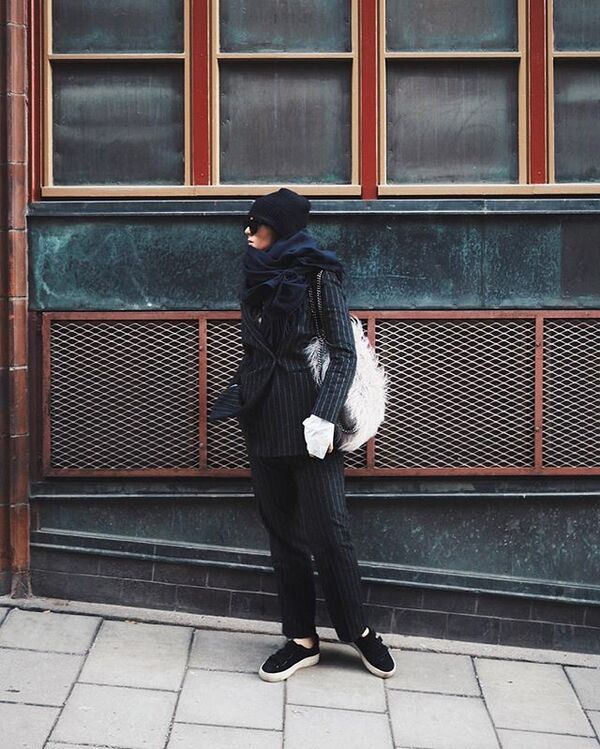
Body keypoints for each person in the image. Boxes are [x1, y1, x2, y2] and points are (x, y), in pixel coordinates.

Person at [232, 187, 396, 682]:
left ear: (280, 227)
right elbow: (255, 350)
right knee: (283, 535)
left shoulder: (319, 277)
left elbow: (342, 355)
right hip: (263, 419)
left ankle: (358, 630)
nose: (247, 232)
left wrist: (324, 417)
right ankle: (301, 639)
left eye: (257, 224)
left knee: (330, 533)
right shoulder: (253, 274)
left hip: (311, 427)